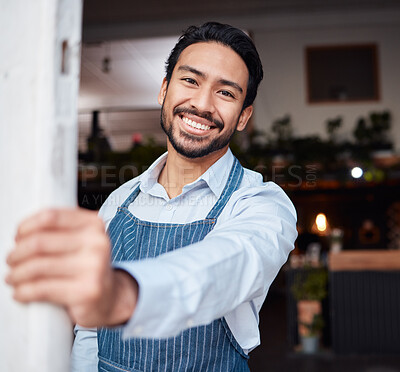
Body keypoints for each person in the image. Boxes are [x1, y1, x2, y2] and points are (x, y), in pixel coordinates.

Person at [6, 22, 297, 371]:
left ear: (243, 117)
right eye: (190, 80)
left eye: (226, 93)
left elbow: (226, 267)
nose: (202, 104)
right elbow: (89, 332)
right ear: (164, 89)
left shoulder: (262, 203)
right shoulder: (119, 202)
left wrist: (123, 294)